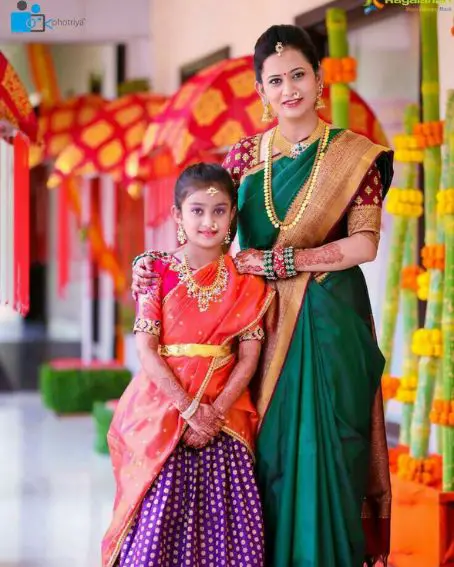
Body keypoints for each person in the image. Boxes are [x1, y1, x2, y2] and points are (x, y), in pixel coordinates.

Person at [132, 25, 394, 567]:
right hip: (259, 325)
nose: (289, 89)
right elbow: (208, 238)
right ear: (261, 91)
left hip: (330, 322)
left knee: (329, 452)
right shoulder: (242, 158)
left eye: (299, 75)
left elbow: (364, 246)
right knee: (269, 454)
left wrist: (281, 261)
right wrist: (149, 265)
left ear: (320, 80)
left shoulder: (356, 155)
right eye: (276, 80)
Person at [102, 163, 275, 567]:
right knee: (156, 522)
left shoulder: (247, 279)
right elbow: (146, 348)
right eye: (197, 210)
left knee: (228, 527)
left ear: (233, 214)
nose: (208, 221)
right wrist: (190, 409)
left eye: (219, 210)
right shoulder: (156, 270)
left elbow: (248, 357)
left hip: (226, 417)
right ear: (177, 215)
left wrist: (213, 414)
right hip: (163, 412)